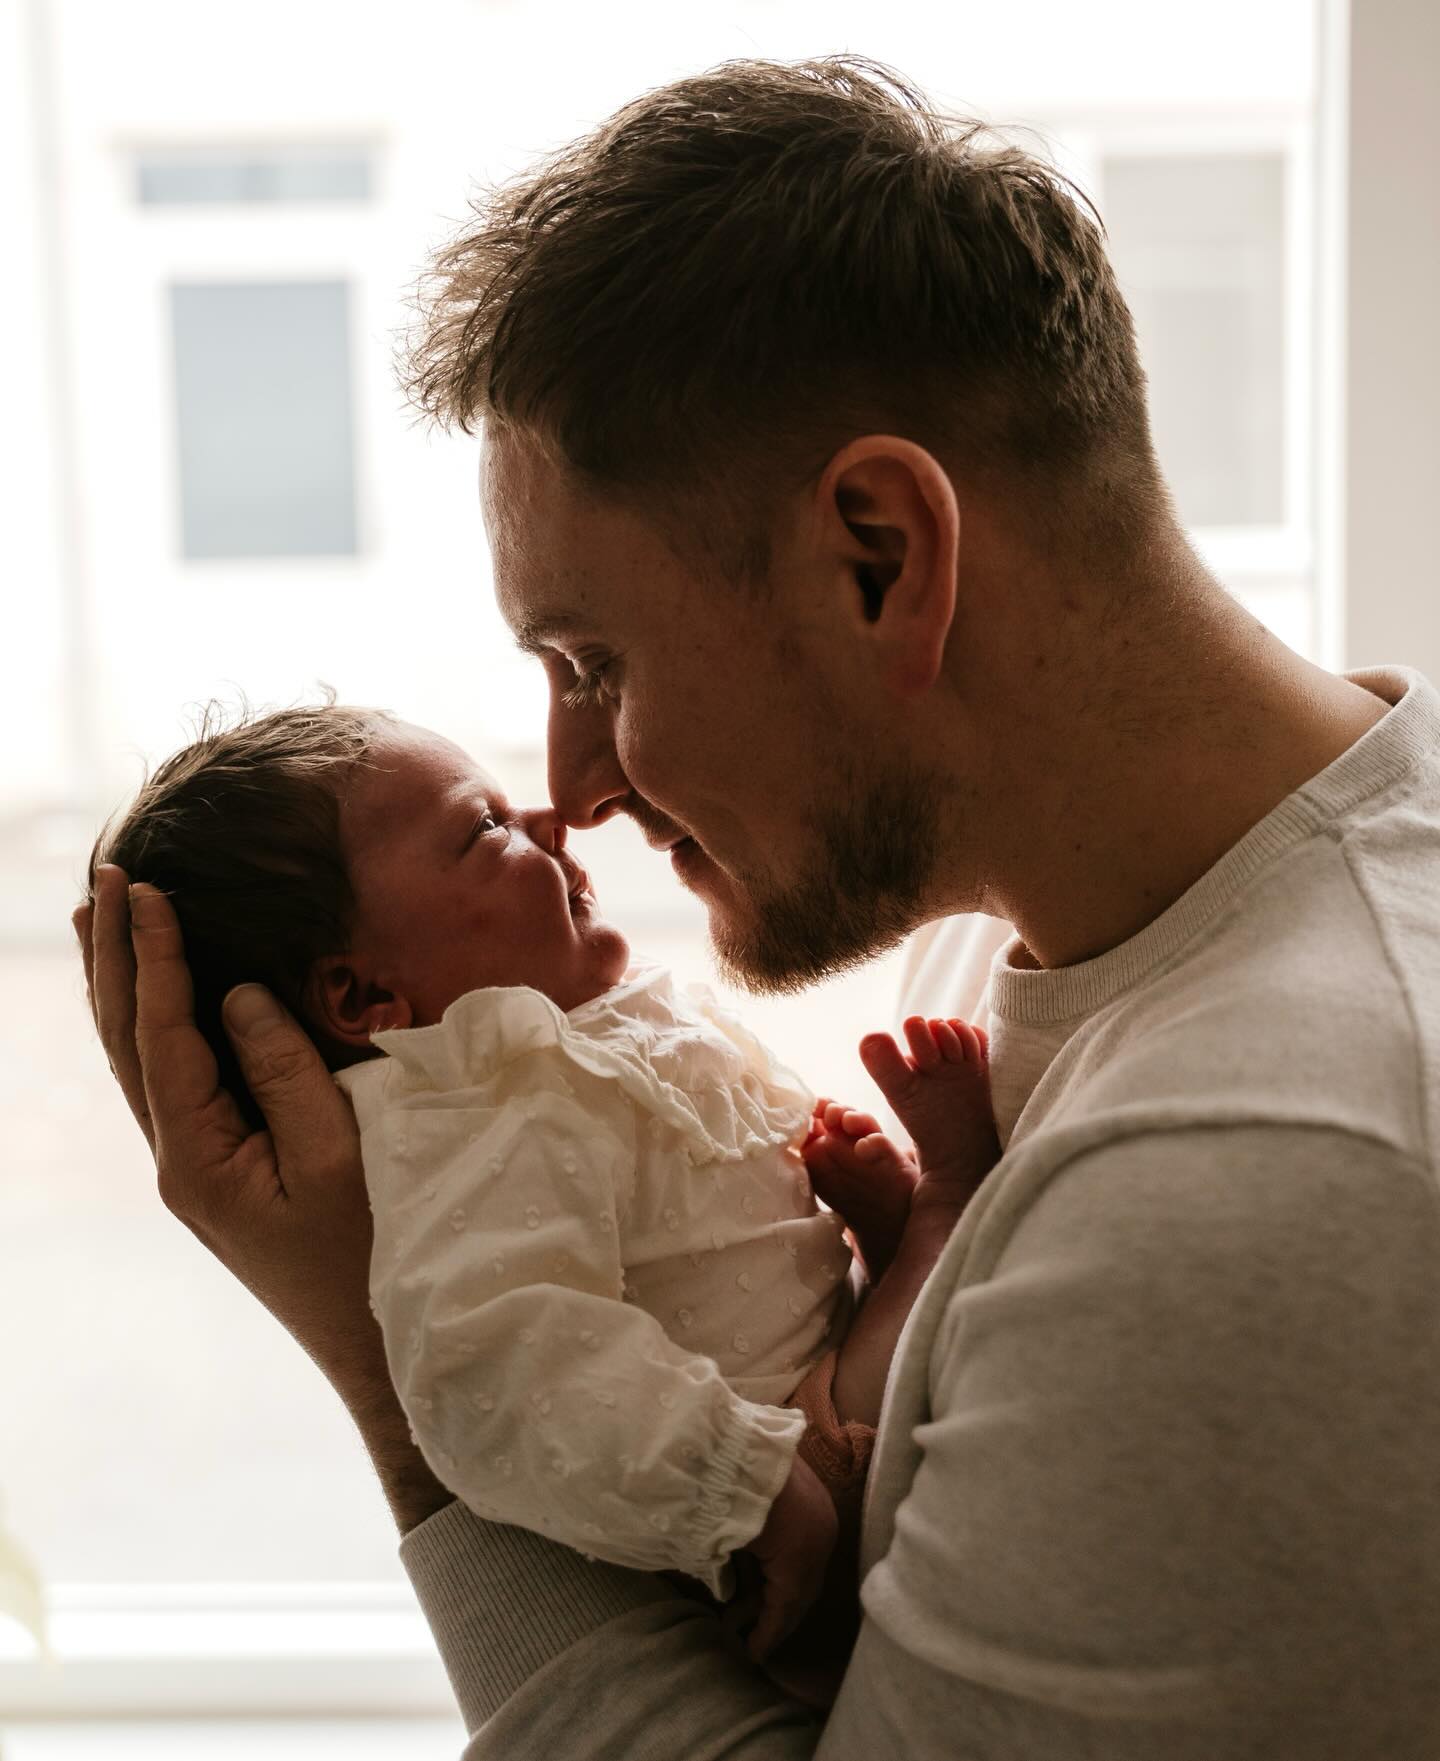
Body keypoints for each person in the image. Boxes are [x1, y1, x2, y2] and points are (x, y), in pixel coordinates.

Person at [75, 53, 1440, 1759]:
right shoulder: (1027, 920)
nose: (571, 786)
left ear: (881, 553)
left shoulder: (1265, 1179)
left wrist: (386, 1365)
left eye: (596, 662)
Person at [86, 699, 1000, 1696]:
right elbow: (503, 1360)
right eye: (483, 829)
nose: (551, 819)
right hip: (799, 1476)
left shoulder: (548, 1048)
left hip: (813, 1394)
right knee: (940, 1261)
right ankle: (943, 1207)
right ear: (360, 997)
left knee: (904, 1299)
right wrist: (744, 1486)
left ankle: (906, 1235)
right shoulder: (480, 1112)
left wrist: (833, 1187)